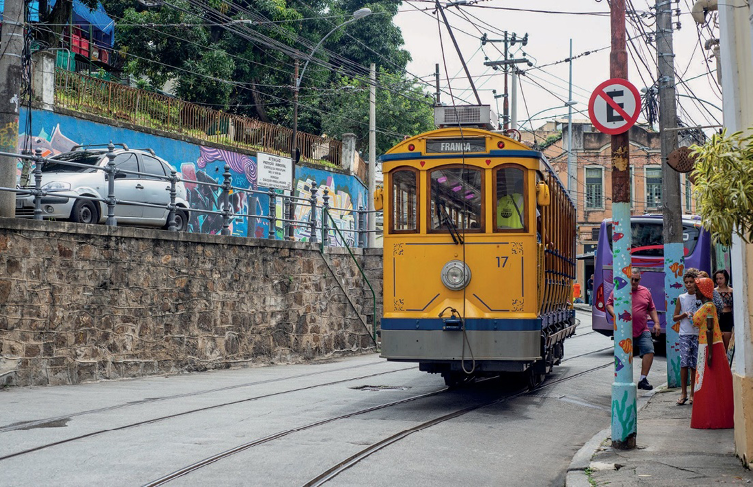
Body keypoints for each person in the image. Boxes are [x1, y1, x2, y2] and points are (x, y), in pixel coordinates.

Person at [606, 269, 661, 390]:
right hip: (624, 331)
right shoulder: (619, 290)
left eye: (636, 279)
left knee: (649, 351)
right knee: (624, 355)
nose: (634, 282)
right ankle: (624, 380)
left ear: (640, 279)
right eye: (631, 279)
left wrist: (656, 323)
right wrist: (615, 315)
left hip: (642, 329)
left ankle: (643, 379)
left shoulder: (645, 291)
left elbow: (651, 308)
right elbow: (609, 304)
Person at [690, 277, 734, 429]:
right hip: (711, 344)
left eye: (697, 290)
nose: (695, 292)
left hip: (707, 345)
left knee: (704, 378)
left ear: (703, 291)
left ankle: (707, 416)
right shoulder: (710, 306)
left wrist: (709, 353)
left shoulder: (707, 307)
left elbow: (705, 327)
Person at [672, 269, 700, 405]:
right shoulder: (681, 298)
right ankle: (683, 392)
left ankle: (693, 393)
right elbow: (674, 316)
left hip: (697, 333)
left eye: (691, 282)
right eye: (686, 282)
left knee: (694, 365)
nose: (689, 285)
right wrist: (684, 315)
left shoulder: (700, 297)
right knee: (684, 363)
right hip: (685, 334)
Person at [714, 269, 733, 351]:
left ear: (726, 278)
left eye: (721, 278)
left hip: (728, 316)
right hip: (718, 316)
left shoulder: (731, 291)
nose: (719, 281)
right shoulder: (714, 292)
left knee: (727, 341)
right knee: (719, 342)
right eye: (717, 279)